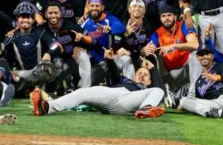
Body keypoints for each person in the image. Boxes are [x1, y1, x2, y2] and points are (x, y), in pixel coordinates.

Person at [30, 49, 165, 119]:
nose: (141, 75)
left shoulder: (148, 90)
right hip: (109, 95)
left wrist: (152, 69)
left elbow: (159, 91)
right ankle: (46, 107)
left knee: (159, 92)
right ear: (134, 75)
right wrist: (110, 60)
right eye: (139, 73)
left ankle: (145, 110)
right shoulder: (125, 80)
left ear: (149, 81)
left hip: (128, 100)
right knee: (83, 92)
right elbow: (114, 75)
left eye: (145, 75)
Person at [143, 5, 199, 108]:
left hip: (187, 68)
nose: (166, 18)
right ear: (160, 18)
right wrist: (145, 50)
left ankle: (192, 95)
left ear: (175, 17)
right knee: (155, 56)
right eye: (163, 16)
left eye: (169, 15)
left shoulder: (183, 26)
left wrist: (175, 46)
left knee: (195, 56)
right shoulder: (157, 33)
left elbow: (195, 45)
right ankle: (173, 94)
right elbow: (148, 49)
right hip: (172, 74)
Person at [178, 45, 223, 123]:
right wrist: (186, 105)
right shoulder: (198, 82)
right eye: (201, 55)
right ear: (197, 57)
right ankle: (210, 112)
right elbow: (199, 100)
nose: (204, 56)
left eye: (207, 54)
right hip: (215, 103)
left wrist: (218, 77)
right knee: (184, 100)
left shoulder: (221, 66)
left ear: (212, 56)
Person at [4, 2, 62, 92]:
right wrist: (10, 73)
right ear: (17, 20)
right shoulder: (11, 36)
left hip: (40, 71)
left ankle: (50, 90)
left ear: (33, 20)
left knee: (58, 62)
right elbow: (5, 60)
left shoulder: (40, 32)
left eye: (28, 17)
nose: (25, 20)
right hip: (23, 75)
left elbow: (57, 46)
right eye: (22, 17)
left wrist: (48, 54)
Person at [43, 1, 94, 93]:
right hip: (55, 63)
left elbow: (92, 41)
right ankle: (52, 90)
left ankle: (85, 92)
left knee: (83, 56)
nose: (53, 15)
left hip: (71, 60)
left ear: (61, 14)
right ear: (46, 15)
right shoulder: (42, 29)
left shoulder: (70, 25)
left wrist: (82, 40)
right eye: (50, 13)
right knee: (57, 64)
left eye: (56, 13)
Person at [80, 0, 125, 85]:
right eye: (92, 6)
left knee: (126, 61)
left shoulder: (110, 18)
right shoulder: (84, 23)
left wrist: (111, 29)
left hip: (110, 60)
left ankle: (130, 89)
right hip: (95, 64)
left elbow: (121, 28)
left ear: (102, 8)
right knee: (82, 86)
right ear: (88, 7)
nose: (94, 8)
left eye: (97, 6)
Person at [113, 0, 152, 79]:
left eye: (140, 6)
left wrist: (145, 50)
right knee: (127, 59)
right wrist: (125, 34)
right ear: (129, 9)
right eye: (134, 6)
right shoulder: (119, 25)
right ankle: (130, 87)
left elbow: (146, 47)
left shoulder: (148, 25)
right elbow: (115, 47)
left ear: (144, 10)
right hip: (121, 57)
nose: (137, 8)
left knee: (151, 56)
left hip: (137, 55)